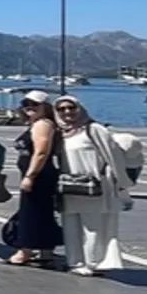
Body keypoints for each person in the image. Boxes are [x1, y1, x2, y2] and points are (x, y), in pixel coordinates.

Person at [54, 95, 131, 275]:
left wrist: (121, 182)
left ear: (79, 108)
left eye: (71, 107)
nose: (67, 112)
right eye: (61, 109)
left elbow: (113, 157)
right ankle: (74, 262)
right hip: (68, 186)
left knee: (93, 226)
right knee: (70, 224)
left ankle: (92, 263)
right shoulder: (60, 133)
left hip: (93, 186)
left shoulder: (94, 129)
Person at [3, 91, 62, 267]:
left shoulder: (42, 125)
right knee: (42, 213)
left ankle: (24, 251)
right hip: (40, 174)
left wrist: (30, 176)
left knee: (30, 212)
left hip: (39, 175)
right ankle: (45, 251)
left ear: (45, 107)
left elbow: (41, 152)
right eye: (26, 103)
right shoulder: (38, 124)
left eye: (35, 104)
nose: (30, 107)